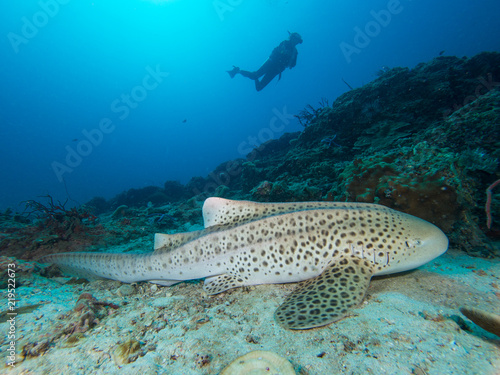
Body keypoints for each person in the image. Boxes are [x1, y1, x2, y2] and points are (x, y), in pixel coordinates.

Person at [227, 32, 303, 91]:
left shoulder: (294, 52)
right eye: (296, 40)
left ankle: (246, 73)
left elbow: (293, 64)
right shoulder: (285, 43)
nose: (296, 42)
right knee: (255, 76)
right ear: (292, 38)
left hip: (277, 70)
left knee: (259, 88)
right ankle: (237, 71)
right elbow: (279, 50)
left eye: (298, 41)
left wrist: (289, 61)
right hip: (271, 63)